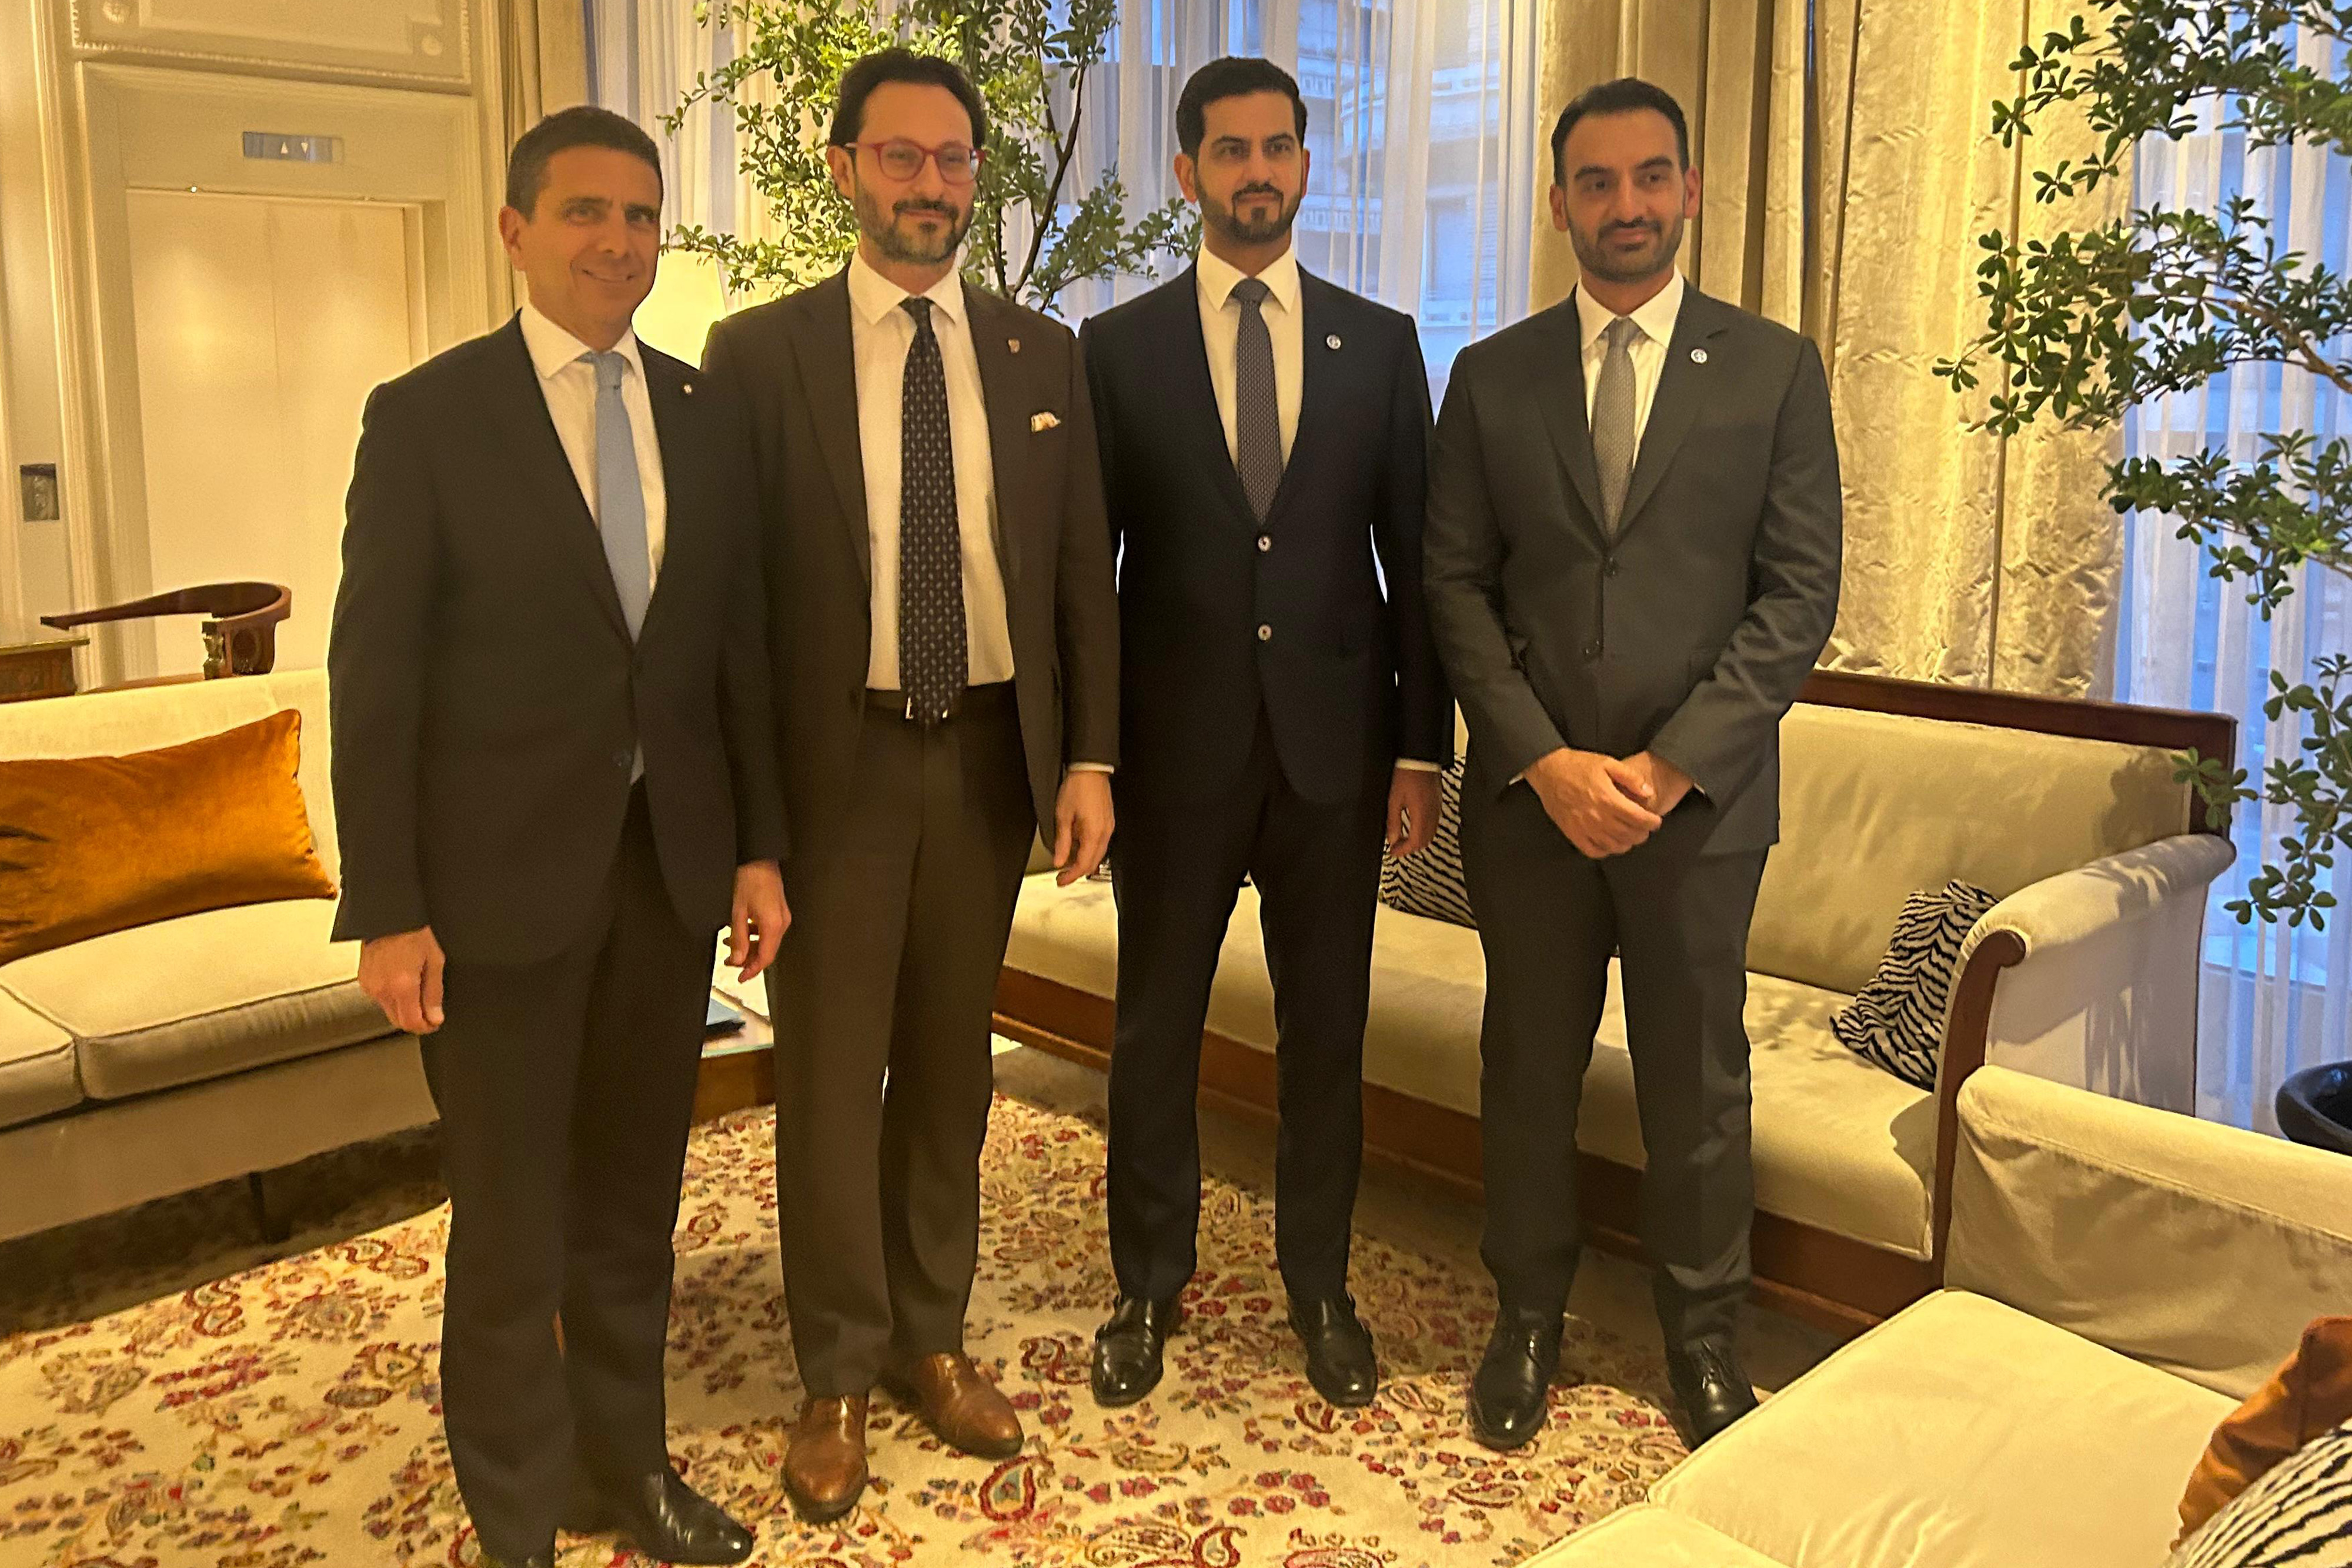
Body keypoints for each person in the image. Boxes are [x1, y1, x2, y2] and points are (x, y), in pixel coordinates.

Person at [330, 106, 788, 1567]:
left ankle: (624, 1468)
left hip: (664, 878)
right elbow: (375, 678)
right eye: (586, 211)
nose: (618, 240)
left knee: (633, 1205)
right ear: (517, 230)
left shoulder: (702, 411)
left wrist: (756, 849)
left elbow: (733, 654)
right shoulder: (427, 416)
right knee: (510, 1220)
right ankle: (516, 1510)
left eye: (640, 215)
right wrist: (388, 903)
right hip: (493, 892)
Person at [697, 48, 1120, 1523]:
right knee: (829, 1078)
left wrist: (1088, 755)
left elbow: (1079, 579)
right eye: (900, 156)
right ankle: (833, 1367)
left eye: (952, 160)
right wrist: (751, 831)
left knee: (952, 1065)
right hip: (839, 768)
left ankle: (926, 1335)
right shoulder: (758, 356)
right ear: (843, 169)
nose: (929, 184)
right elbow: (731, 616)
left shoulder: (1040, 355)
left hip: (993, 759)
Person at [1422, 77, 1842, 1452]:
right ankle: (1524, 1319)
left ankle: (1703, 1339)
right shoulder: (1490, 375)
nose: (1625, 205)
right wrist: (1544, 761)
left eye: (1649, 176)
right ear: (1557, 204)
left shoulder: (1773, 368)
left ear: (1689, 190)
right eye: (1594, 182)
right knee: (1525, 1071)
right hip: (1530, 807)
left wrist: (1665, 768)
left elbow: (1796, 596)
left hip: (1696, 812)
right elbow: (1452, 587)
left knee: (1694, 1085)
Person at [1075, 56, 1449, 1413]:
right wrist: (1091, 756)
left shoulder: (1379, 344)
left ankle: (1319, 1287)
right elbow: (1087, 573)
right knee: (1153, 1032)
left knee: (1324, 1035)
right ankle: (1145, 1281)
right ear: (1186, 171)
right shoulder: (1115, 348)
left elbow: (1417, 564)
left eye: (1275, 147)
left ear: (1304, 163)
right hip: (1171, 759)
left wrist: (1420, 751)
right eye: (1227, 150)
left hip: (1332, 760)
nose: (1254, 171)